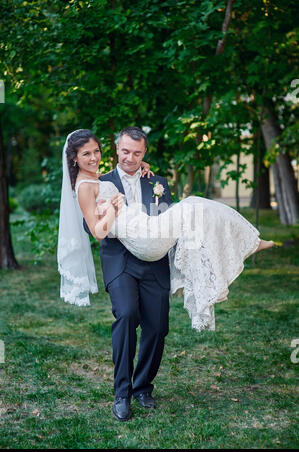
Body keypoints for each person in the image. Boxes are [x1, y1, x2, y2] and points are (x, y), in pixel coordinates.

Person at [57, 128, 274, 421]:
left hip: (153, 259)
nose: (130, 158)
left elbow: (168, 220)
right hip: (120, 261)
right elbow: (91, 227)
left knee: (158, 327)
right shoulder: (98, 180)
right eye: (125, 152)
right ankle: (122, 394)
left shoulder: (156, 181)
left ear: (144, 153)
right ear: (116, 149)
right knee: (126, 315)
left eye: (137, 153)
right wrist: (113, 210)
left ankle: (143, 387)